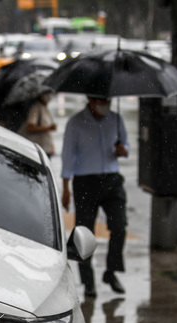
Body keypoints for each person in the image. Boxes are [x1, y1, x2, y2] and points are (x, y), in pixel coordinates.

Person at [61, 95, 129, 298]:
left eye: (107, 99)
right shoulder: (75, 123)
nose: (105, 104)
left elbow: (126, 146)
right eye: (101, 100)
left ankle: (111, 271)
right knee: (84, 233)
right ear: (90, 99)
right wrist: (66, 187)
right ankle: (88, 281)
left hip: (112, 180)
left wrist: (122, 150)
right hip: (85, 182)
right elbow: (67, 155)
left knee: (119, 226)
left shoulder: (116, 119)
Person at [17, 85, 57, 157]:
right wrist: (49, 128)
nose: (50, 96)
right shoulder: (35, 108)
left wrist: (52, 145)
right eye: (47, 93)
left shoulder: (45, 108)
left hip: (46, 149)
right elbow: (30, 127)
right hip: (38, 150)